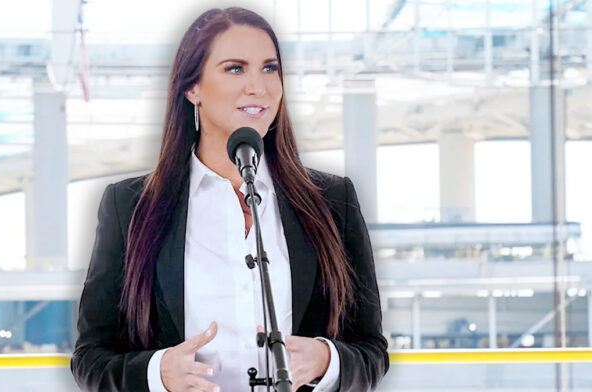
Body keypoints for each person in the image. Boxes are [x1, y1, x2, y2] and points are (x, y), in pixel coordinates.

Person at [71, 7, 389, 392]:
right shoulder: (130, 206)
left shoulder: (334, 202)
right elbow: (90, 359)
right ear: (193, 88)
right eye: (235, 68)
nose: (259, 86)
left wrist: (327, 360)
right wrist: (158, 373)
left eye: (270, 68)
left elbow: (372, 351)